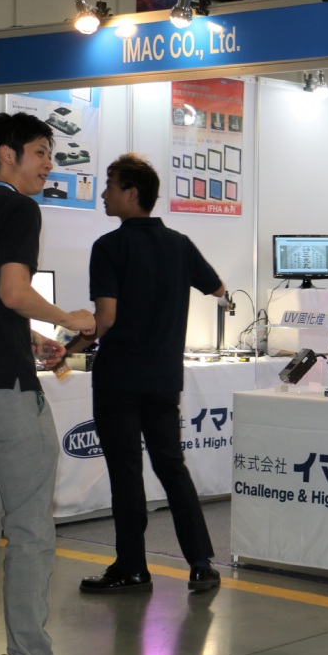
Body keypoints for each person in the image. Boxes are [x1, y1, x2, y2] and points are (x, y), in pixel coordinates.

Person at [0, 112, 96, 655]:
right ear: (6, 155)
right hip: (8, 397)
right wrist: (69, 319)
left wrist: (31, 336)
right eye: (40, 152)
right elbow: (13, 291)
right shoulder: (19, 208)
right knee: (30, 534)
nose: (48, 164)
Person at [70, 155, 228, 595]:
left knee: (126, 473)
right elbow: (217, 288)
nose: (104, 194)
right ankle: (201, 564)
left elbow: (105, 318)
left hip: (119, 379)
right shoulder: (179, 244)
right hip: (163, 379)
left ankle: (133, 568)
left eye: (110, 186)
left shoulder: (109, 246)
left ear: (131, 193)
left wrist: (67, 349)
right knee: (172, 468)